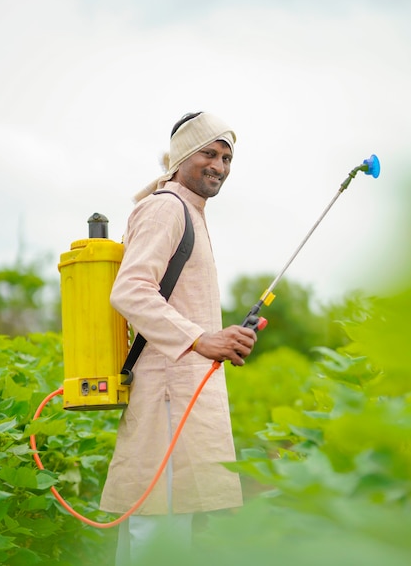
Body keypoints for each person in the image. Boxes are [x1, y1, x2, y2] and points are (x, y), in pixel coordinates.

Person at [100, 111, 257, 563]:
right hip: (168, 389)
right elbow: (130, 290)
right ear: (182, 156)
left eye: (227, 157)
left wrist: (220, 339)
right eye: (209, 153)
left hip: (184, 387)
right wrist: (200, 339)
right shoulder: (167, 207)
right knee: (159, 521)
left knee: (164, 517)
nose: (220, 166)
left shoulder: (190, 210)